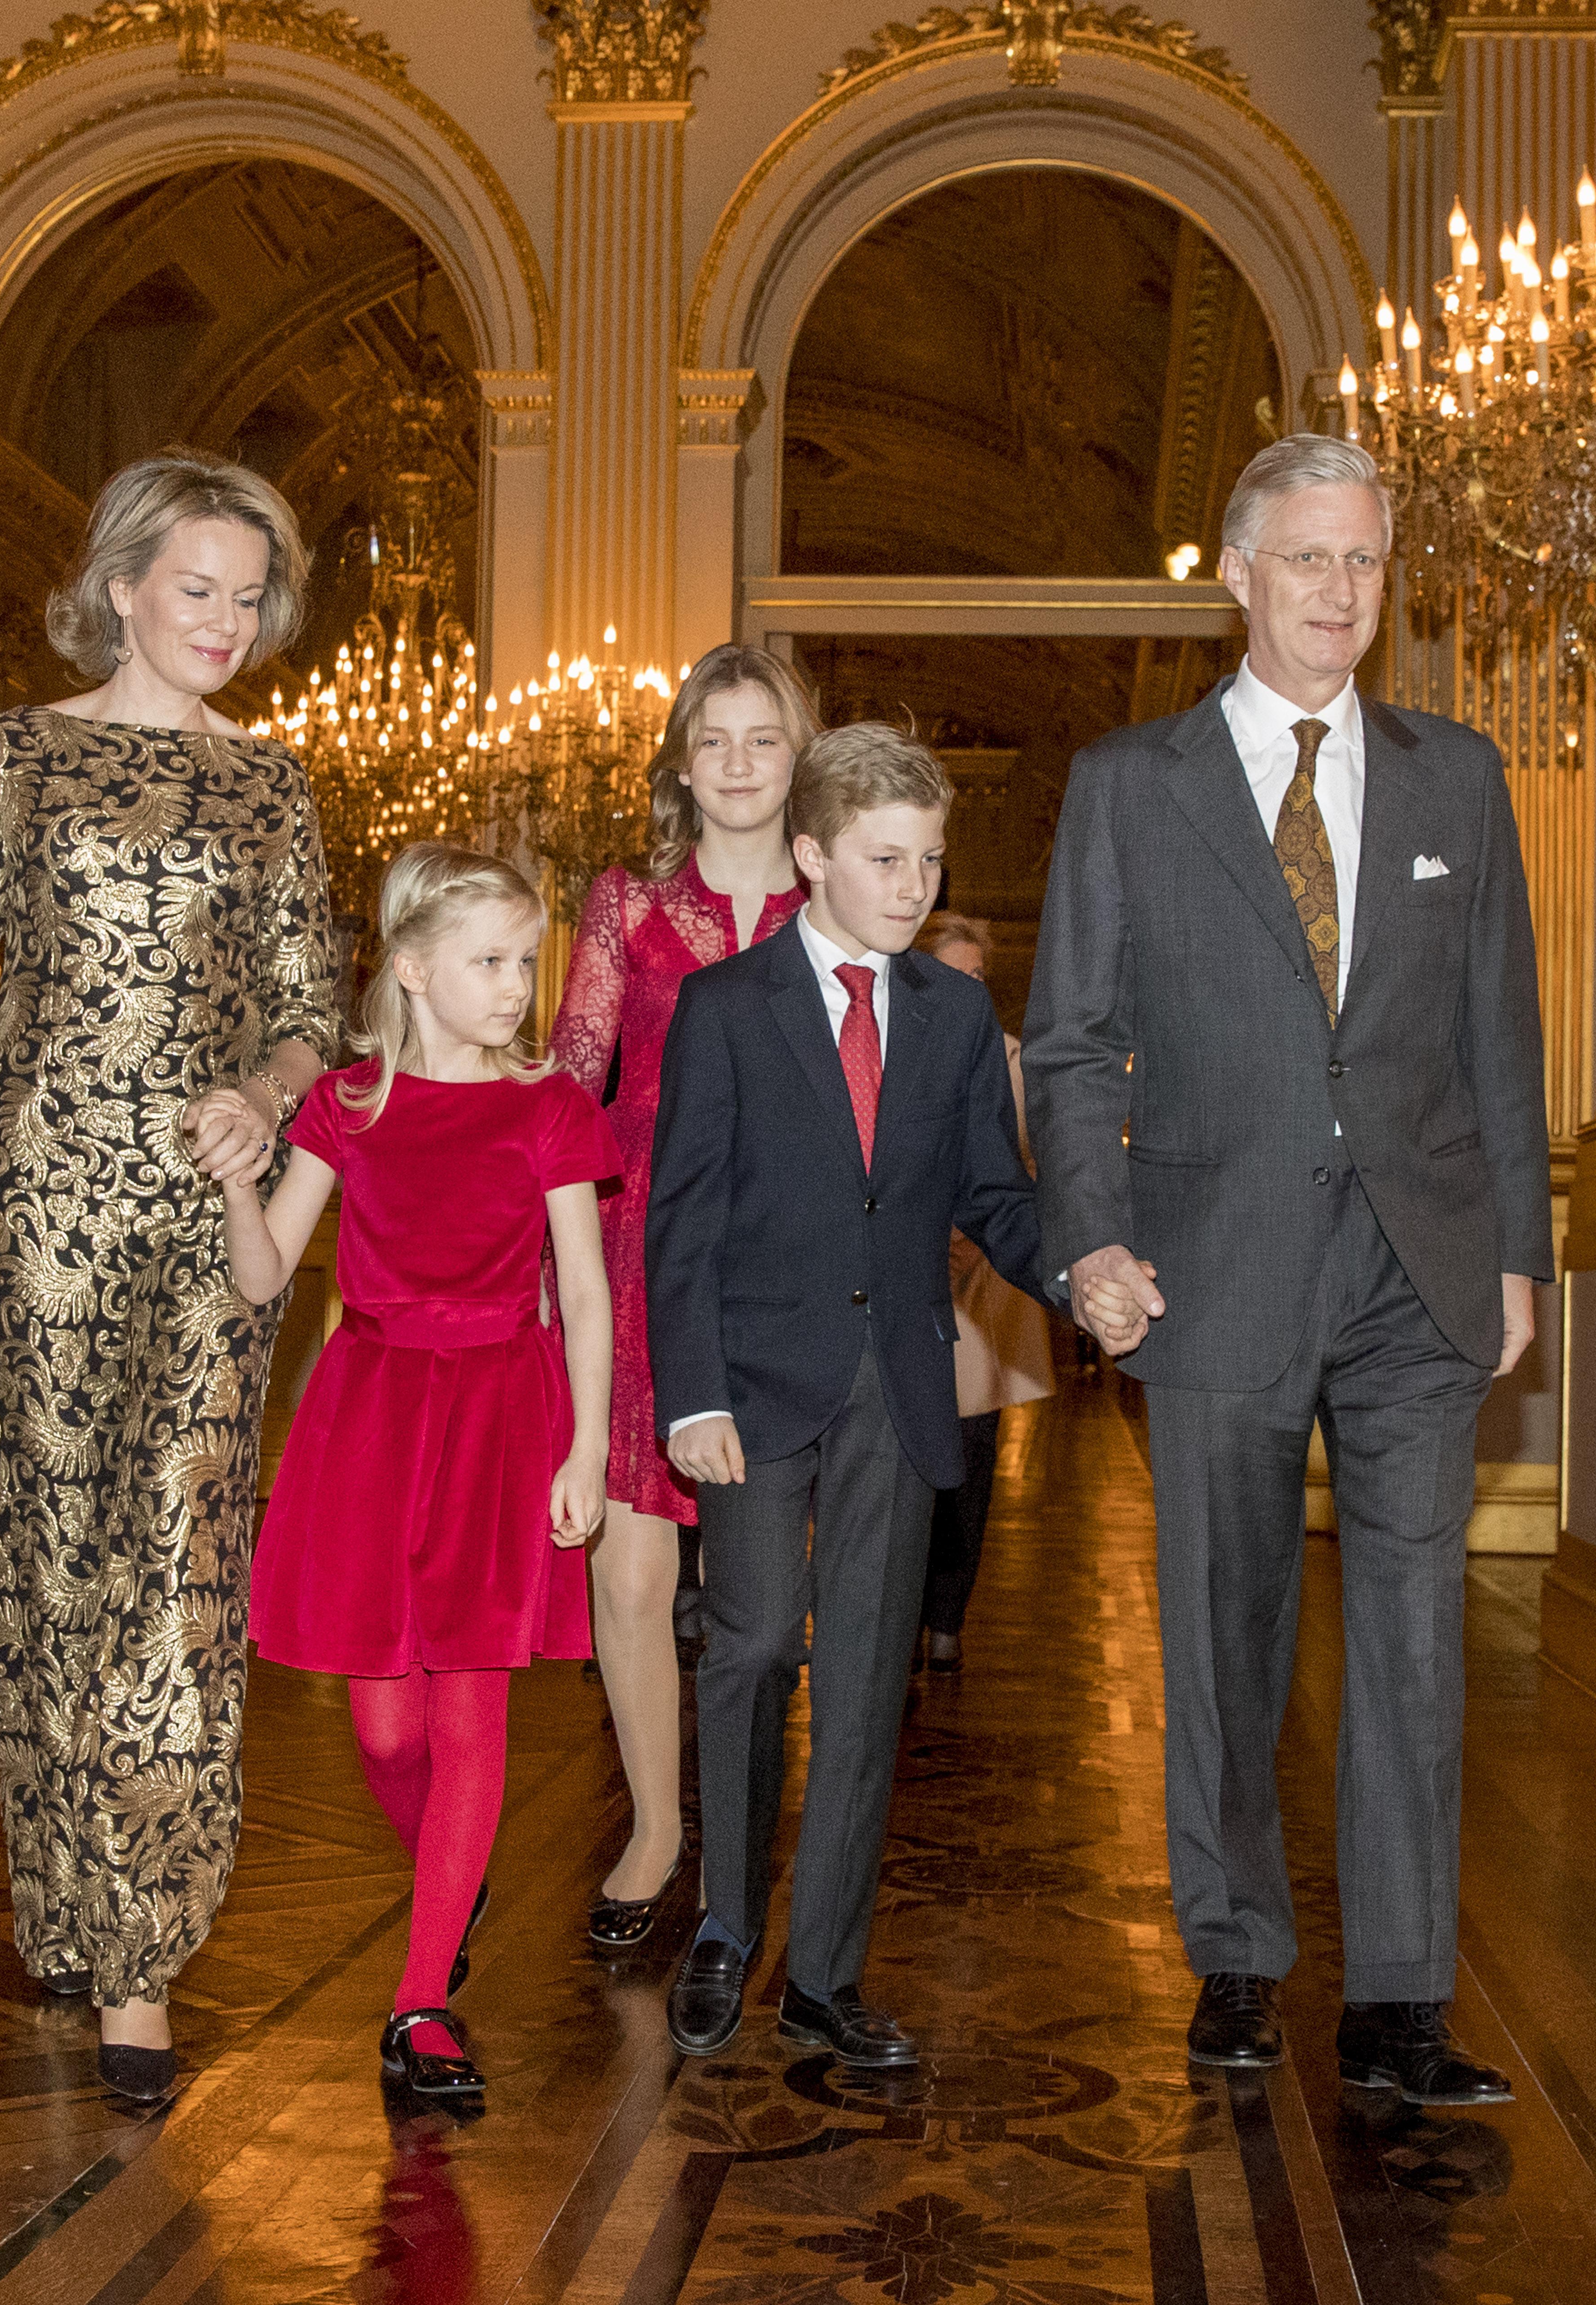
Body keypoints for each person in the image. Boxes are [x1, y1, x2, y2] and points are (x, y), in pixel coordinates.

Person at [1026, 433, 1550, 2106]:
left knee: (1411, 1635)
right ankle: (1238, 1956)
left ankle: (1403, 1994)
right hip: (1215, 1266)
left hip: (1420, 1268)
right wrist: (1092, 1234)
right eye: (1309, 560)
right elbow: (1074, 1042)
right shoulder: (1132, 783)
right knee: (1225, 1628)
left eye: (1365, 562)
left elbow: (1502, 1042)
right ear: (1239, 574)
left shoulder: (1458, 777)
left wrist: (1521, 1257)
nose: (1340, 592)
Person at [0, 448, 337, 2105]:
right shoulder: (23, 755)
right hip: (35, 1194)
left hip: (204, 1210)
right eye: (194, 585)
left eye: (247, 591)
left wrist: (262, 1104)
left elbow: (308, 1011)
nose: (223, 618)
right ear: (122, 585)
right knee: (52, 1555)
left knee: (183, 1569)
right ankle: (66, 1890)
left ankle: (145, 1954)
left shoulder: (273, 786)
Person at [650, 724, 1050, 2068]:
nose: (914, 884)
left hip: (900, 1386)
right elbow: (682, 1226)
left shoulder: (949, 1019)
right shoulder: (726, 1008)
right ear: (813, 854)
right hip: (757, 1384)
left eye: (930, 859)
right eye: (887, 858)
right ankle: (724, 1925)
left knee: (870, 1679)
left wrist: (1085, 1263)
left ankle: (822, 1972)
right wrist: (689, 1395)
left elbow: (992, 1196)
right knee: (755, 1642)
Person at [226, 844, 617, 2098]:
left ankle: (420, 2000)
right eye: (492, 963)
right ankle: (454, 1878)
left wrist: (587, 1445)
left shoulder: (549, 1102)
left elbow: (591, 1296)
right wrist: (241, 1186)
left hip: (505, 1406)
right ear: (412, 969)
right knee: (386, 1725)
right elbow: (263, 1273)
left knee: (469, 1711)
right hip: (375, 1412)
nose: (519, 987)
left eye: (527, 960)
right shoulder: (348, 1103)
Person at [547, 643, 817, 1949]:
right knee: (634, 1571)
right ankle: (657, 1826)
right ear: (682, 760)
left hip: (788, 1261)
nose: (739, 763)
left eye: (763, 738)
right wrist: (546, 1266)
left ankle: (760, 1833)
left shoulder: (838, 903)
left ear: (797, 753)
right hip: (638, 1254)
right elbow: (570, 1080)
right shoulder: (626, 903)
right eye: (714, 739)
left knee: (767, 1597)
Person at [915, 914, 1055, 1672]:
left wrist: (965, 1247)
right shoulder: (888, 1041)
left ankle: (946, 1616)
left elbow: (1030, 1169)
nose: (965, 988)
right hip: (903, 1289)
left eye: (976, 977)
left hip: (981, 1301)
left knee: (966, 1468)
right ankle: (898, 1613)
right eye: (951, 973)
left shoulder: (1014, 1061)